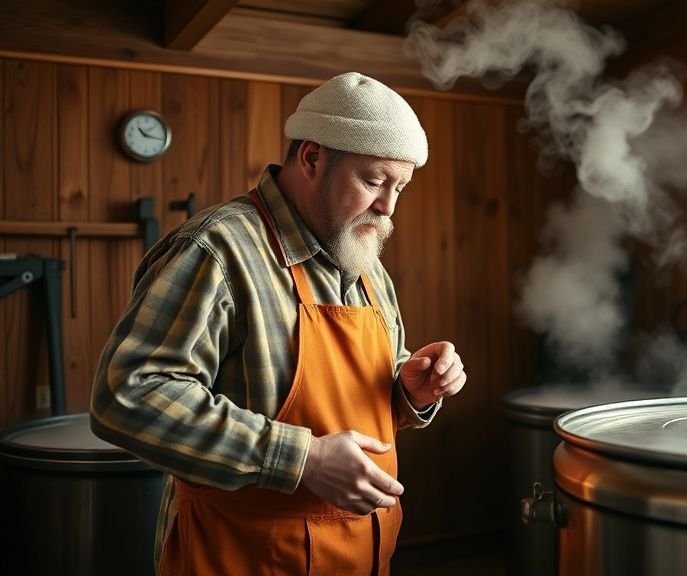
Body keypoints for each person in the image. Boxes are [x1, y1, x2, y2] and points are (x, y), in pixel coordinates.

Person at [90, 72, 467, 576]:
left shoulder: (363, 256)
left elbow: (354, 395)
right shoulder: (217, 250)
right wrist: (302, 459)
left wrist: (409, 388)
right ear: (312, 158)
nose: (389, 207)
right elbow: (128, 394)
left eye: (400, 187)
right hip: (239, 558)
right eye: (374, 181)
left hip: (359, 557)